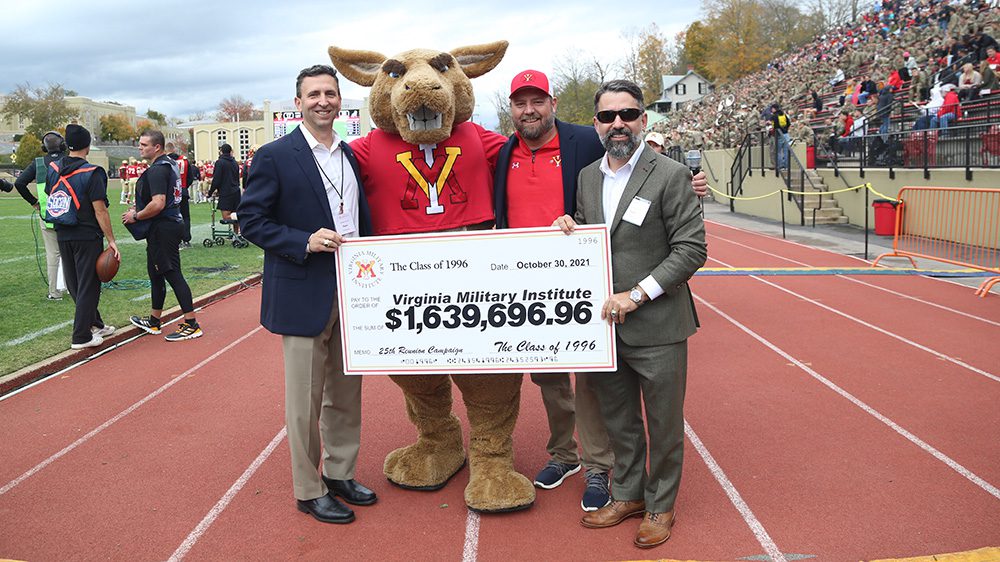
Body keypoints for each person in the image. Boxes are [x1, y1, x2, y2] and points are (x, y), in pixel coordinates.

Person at [555, 79, 706, 549]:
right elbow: (596, 242)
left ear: (643, 119)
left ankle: (661, 504)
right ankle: (628, 493)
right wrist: (570, 229)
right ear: (596, 123)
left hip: (658, 325)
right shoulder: (587, 177)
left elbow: (691, 250)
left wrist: (636, 295)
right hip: (607, 326)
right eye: (607, 116)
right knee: (620, 420)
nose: (617, 123)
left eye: (627, 114)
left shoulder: (670, 174)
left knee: (663, 422)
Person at [238, 65, 376, 525]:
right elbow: (252, 220)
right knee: (305, 399)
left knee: (346, 392)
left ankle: (340, 473)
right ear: (297, 103)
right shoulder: (275, 155)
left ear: (341, 101)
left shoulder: (351, 154)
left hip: (354, 288)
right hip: (303, 290)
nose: (323, 101)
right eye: (313, 94)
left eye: (330, 93)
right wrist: (303, 240)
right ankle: (308, 487)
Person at [493, 69, 614, 512]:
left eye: (537, 101)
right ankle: (564, 454)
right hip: (526, 285)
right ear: (512, 109)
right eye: (521, 103)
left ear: (553, 103)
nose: (530, 110)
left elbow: (634, 160)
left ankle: (598, 464)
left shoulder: (584, 141)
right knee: (548, 377)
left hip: (581, 277)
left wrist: (690, 182)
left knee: (592, 377)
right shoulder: (503, 152)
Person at [123, 130, 202, 342]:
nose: (139, 148)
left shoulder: (158, 169)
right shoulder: (170, 163)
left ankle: (192, 323)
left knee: (172, 273)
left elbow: (158, 203)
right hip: (170, 223)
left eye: (144, 144)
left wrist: (136, 216)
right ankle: (154, 320)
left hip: (164, 226)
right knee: (155, 273)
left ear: (156, 147)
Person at [46, 125, 119, 349]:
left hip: (62, 231)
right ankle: (81, 336)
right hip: (86, 234)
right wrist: (111, 239)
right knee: (88, 285)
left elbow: (53, 195)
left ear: (67, 145)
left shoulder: (52, 168)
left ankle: (95, 324)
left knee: (75, 283)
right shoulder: (92, 172)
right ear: (88, 146)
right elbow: (100, 210)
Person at [14, 131, 68, 300]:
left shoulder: (38, 164)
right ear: (63, 146)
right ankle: (77, 288)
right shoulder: (70, 160)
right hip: (72, 216)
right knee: (74, 253)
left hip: (48, 215)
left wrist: (34, 202)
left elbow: (19, 183)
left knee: (53, 254)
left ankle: (54, 292)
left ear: (44, 147)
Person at [166, 143, 197, 248]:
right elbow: (190, 178)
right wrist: (183, 187)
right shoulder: (184, 160)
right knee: (186, 217)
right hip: (182, 191)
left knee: (172, 217)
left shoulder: (165, 161)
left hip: (170, 193)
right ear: (174, 149)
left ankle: (175, 240)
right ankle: (186, 239)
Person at [207, 143, 242, 236]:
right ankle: (236, 234)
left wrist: (210, 192)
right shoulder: (235, 163)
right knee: (235, 211)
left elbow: (217, 179)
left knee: (226, 217)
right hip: (236, 191)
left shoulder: (220, 162)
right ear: (230, 151)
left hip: (226, 192)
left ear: (221, 151)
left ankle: (240, 219)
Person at [771, 104, 791, 170]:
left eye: (772, 109)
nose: (771, 110)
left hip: (779, 135)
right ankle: (786, 166)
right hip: (786, 134)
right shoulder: (784, 115)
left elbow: (775, 126)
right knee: (786, 151)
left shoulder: (774, 116)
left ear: (774, 109)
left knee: (778, 151)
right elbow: (788, 123)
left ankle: (780, 166)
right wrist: (785, 129)